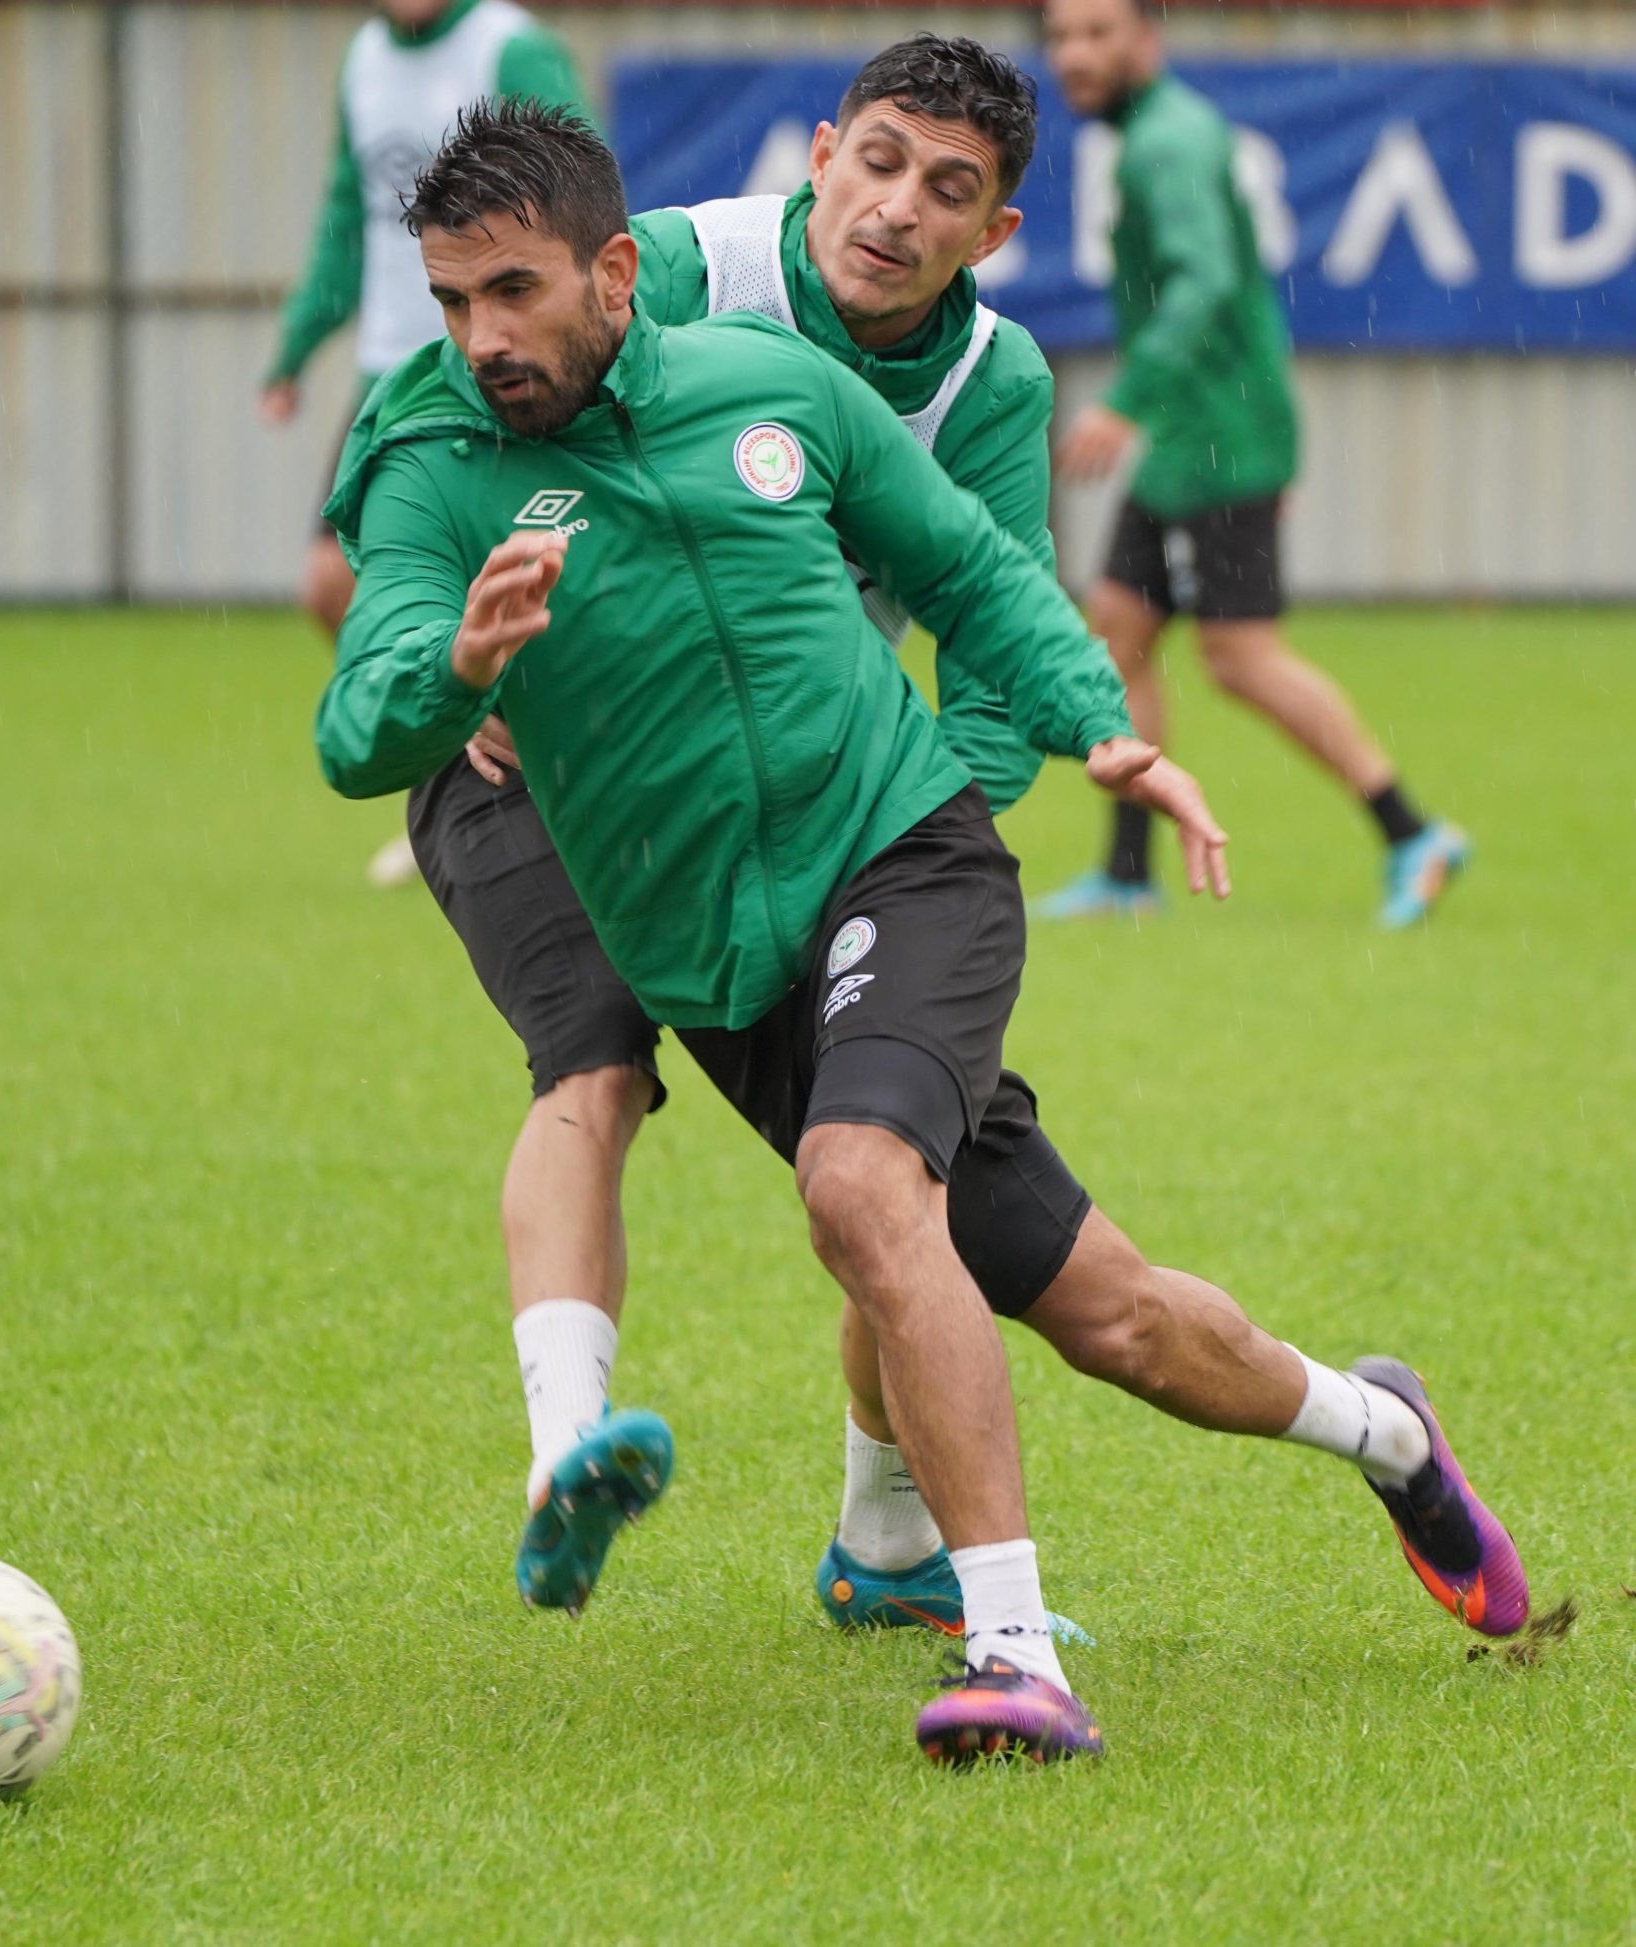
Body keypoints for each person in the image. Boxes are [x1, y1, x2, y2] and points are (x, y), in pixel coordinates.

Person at [315, 101, 1529, 1765]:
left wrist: (1097, 723)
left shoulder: (774, 389)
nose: (480, 341)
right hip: (714, 949)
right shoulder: (429, 455)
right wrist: (448, 671)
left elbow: (970, 566)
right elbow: (349, 736)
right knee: (1114, 1316)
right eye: (450, 302)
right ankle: (1384, 1433)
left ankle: (1011, 1649)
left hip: (902, 854)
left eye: (510, 293)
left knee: (859, 1187)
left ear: (609, 275)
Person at [409, 37, 1129, 1644]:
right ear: (817, 153)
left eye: (947, 190)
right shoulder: (667, 266)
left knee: (886, 1171)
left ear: (993, 233)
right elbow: (465, 387)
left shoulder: (990, 381)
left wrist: (896, 839)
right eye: (874, 160)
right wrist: (443, 634)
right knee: (589, 1065)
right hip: (532, 768)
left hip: (798, 814)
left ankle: (883, 1539)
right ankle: (564, 1451)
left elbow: (999, 640)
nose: (894, 210)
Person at [1038, 0, 1470, 930]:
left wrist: (1130, 397)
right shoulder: (1156, 132)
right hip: (1196, 435)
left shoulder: (1166, 145)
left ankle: (1410, 832)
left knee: (1238, 655)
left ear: (1146, 39)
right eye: (1061, 33)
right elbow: (1234, 287)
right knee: (1117, 629)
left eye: (1097, 31)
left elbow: (1201, 280)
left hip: (1216, 440)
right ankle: (1125, 873)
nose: (1074, 51)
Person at [258, 0, 589, 884]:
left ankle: (558, 782)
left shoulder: (511, 48)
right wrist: (297, 345)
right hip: (394, 383)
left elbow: (586, 210)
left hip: (500, 379)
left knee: (545, 587)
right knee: (332, 585)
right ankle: (458, 764)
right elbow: (345, 214)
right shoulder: (363, 58)